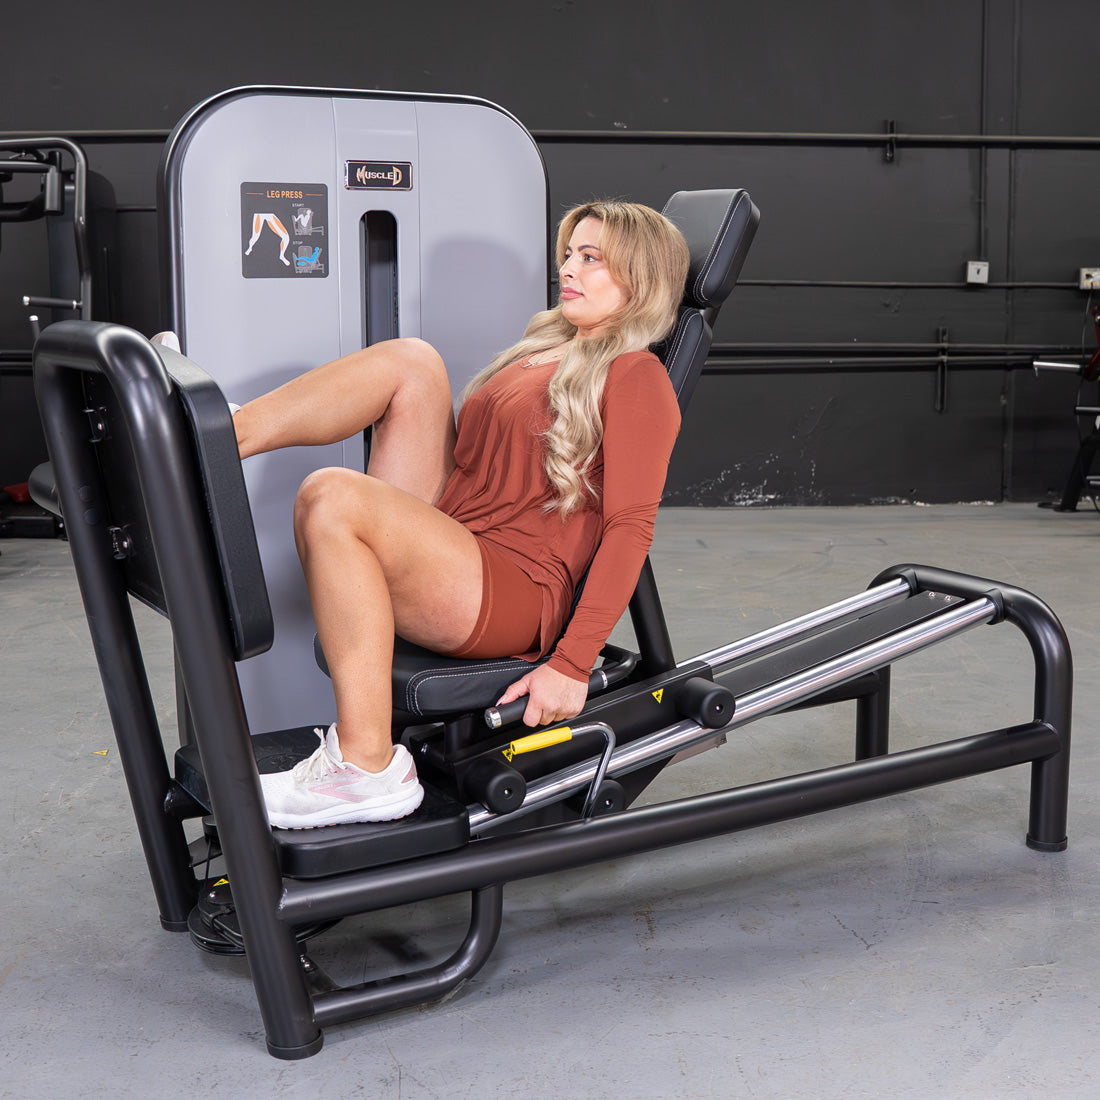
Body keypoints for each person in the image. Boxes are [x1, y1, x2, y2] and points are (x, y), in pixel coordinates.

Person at [220, 200, 689, 829]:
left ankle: (366, 768)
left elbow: (631, 528)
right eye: (569, 254)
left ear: (640, 278)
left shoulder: (636, 375)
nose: (568, 269)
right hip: (462, 538)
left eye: (591, 258)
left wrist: (573, 664)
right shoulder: (549, 349)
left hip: (512, 586)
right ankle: (223, 436)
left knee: (331, 495)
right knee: (412, 362)